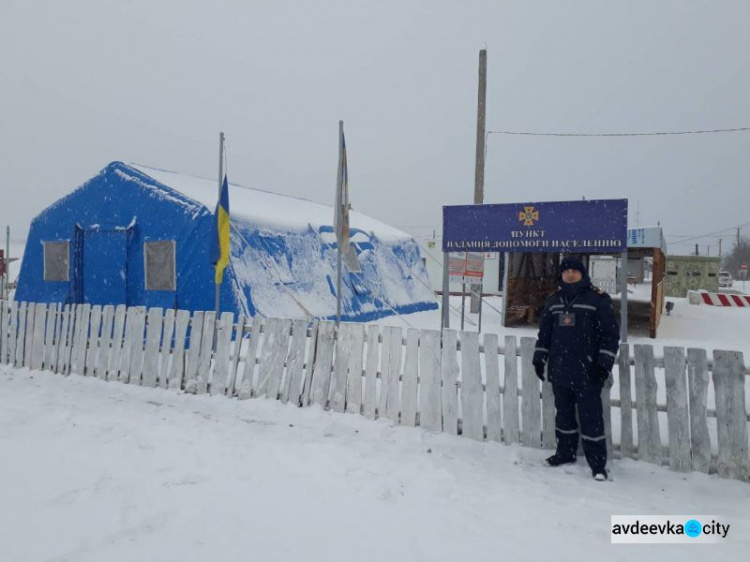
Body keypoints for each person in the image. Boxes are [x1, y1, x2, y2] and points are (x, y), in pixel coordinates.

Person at [532, 256, 620, 481]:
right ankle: (565, 453)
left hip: (588, 372)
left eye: (574, 270)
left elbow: (610, 335)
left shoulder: (597, 299)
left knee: (591, 418)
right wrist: (539, 357)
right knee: (564, 417)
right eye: (566, 271)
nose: (570, 274)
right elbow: (545, 334)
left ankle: (598, 464)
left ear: (583, 274)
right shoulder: (553, 301)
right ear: (561, 275)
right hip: (560, 370)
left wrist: (603, 365)